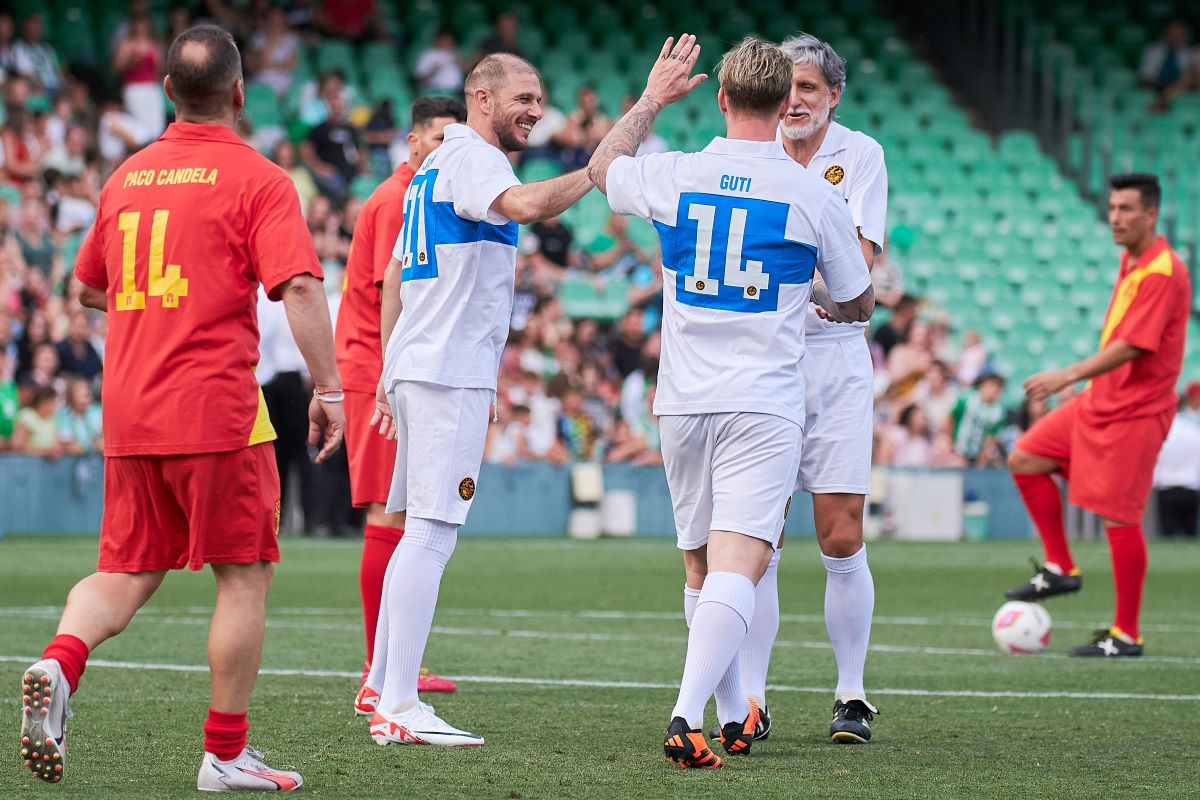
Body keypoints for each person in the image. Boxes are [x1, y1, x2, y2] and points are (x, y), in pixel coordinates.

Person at [18, 25, 345, 790]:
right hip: (216, 411)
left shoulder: (126, 176)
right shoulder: (260, 178)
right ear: (239, 93)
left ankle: (59, 663)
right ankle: (224, 754)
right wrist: (330, 390)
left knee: (127, 571)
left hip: (131, 409)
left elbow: (88, 286)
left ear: (168, 92)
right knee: (244, 575)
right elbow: (298, 285)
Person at [590, 34, 873, 767]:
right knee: (740, 564)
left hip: (682, 400)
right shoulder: (812, 192)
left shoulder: (674, 174)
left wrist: (652, 99)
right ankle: (687, 715)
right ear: (787, 106)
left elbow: (599, 168)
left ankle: (732, 709)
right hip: (761, 401)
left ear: (720, 98)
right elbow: (857, 299)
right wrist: (815, 298)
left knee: (699, 569)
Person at [365, 52, 592, 746]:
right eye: (523, 96)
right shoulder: (474, 161)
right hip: (445, 370)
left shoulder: (431, 166)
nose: (534, 109)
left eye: (540, 98)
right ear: (480, 97)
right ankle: (399, 703)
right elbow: (525, 205)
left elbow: (398, 275)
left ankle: (382, 684)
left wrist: (388, 366)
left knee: (416, 527)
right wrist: (595, 172)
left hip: (423, 364)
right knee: (434, 532)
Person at [725, 31, 888, 747]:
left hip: (835, 360)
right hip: (763, 359)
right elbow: (836, 273)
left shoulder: (860, 156)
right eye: (788, 91)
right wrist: (815, 278)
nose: (795, 102)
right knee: (759, 539)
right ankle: (753, 698)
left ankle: (851, 693)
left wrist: (787, 276)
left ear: (834, 97)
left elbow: (863, 265)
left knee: (840, 533)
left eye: (810, 91)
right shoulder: (747, 151)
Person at [1005, 174, 1191, 657]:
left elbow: (1132, 345)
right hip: (1100, 400)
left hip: (1136, 411)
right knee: (1025, 457)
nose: (1115, 217)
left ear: (1151, 214)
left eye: (1126, 209)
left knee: (1119, 518)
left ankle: (1127, 634)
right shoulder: (1134, 259)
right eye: (1111, 207)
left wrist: (1067, 375)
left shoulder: (1162, 271)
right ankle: (1061, 567)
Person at [336, 96, 466, 716]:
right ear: (412, 143)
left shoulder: (410, 195)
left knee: (403, 516)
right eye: (436, 139)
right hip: (380, 366)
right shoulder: (400, 200)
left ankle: (388, 665)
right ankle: (376, 670)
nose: (444, 150)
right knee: (392, 518)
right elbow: (400, 286)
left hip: (386, 365)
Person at [113, 13, 166, 139]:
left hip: (152, 87)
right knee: (139, 124)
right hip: (134, 88)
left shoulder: (153, 44)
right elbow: (116, 68)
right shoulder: (127, 44)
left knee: (156, 124)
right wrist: (130, 63)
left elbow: (161, 68)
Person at [1151, 409, 1200, 538]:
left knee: (1168, 534)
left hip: (1167, 489)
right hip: (1190, 488)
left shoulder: (1163, 432)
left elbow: (1155, 459)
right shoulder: (1194, 431)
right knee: (1190, 534)